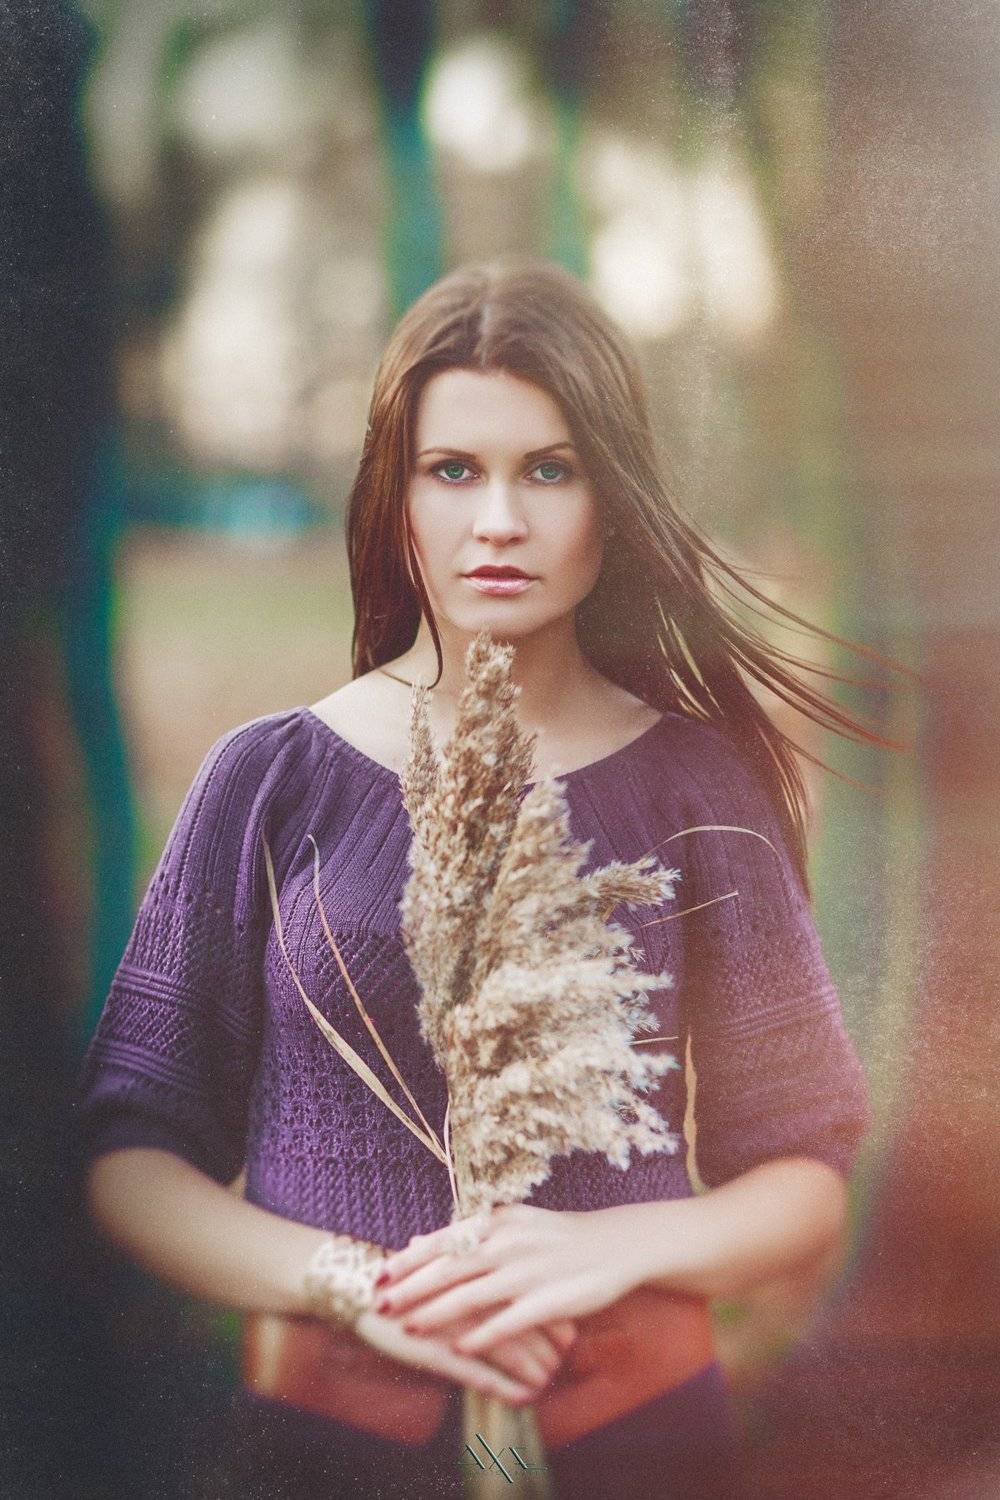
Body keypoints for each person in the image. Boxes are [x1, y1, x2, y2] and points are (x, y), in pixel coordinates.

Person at [75, 256, 880, 1499]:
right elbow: (131, 1158)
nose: (497, 520)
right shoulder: (271, 780)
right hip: (326, 1454)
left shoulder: (698, 791)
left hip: (643, 1448)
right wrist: (357, 1284)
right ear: (395, 496)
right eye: (453, 470)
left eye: (547, 470)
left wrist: (602, 1251)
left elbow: (804, 1176)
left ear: (611, 499)